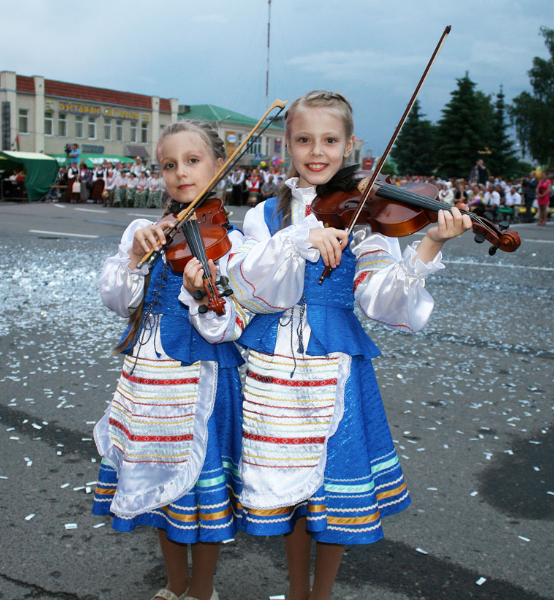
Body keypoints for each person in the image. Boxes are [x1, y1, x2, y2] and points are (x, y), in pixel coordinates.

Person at [188, 91, 472, 600]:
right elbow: (252, 289)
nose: (317, 151)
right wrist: (296, 239)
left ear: (349, 145)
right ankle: (298, 591)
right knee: (292, 495)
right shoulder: (263, 217)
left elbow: (381, 300)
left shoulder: (367, 217)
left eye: (330, 140)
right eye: (304, 140)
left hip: (336, 363)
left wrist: (429, 245)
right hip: (273, 365)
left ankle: (320, 595)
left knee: (332, 492)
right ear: (288, 144)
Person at [91, 120, 247, 600]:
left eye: (193, 161)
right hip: (148, 377)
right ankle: (175, 583)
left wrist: (202, 294)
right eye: (169, 164)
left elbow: (232, 323)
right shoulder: (149, 234)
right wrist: (134, 258)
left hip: (202, 378)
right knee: (155, 479)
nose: (181, 173)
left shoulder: (233, 243)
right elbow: (119, 301)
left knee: (201, 489)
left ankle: (202, 588)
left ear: (218, 166)